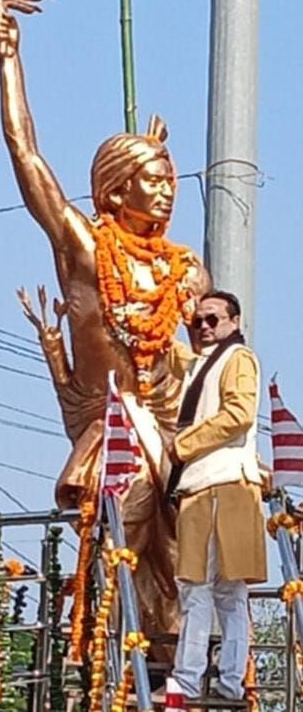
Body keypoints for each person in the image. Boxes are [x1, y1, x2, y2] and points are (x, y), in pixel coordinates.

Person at [0, 9, 210, 645]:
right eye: (152, 180)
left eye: (170, 181)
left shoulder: (184, 269)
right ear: (114, 191)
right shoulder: (84, 249)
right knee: (118, 549)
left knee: (184, 567)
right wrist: (8, 60)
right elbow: (25, 154)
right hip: (115, 431)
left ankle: (174, 665)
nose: (167, 192)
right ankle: (109, 653)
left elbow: (205, 362)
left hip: (175, 443)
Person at [166, 290, 267, 702]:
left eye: (213, 319)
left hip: (219, 485)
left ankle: (188, 681)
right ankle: (224, 682)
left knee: (202, 589)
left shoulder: (237, 359)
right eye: (197, 321)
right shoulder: (203, 364)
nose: (204, 327)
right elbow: (175, 357)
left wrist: (182, 445)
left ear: (234, 322)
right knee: (223, 591)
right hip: (209, 487)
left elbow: (239, 413)